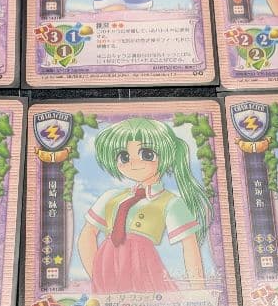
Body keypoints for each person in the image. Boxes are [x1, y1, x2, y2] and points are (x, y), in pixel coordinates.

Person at [77, 118, 211, 293]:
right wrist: (97, 276)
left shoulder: (170, 202)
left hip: (144, 268)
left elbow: (190, 245)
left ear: (166, 156)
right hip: (108, 273)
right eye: (124, 157)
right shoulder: (111, 197)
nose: (133, 163)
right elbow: (87, 234)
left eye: (146, 155)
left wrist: (199, 291)